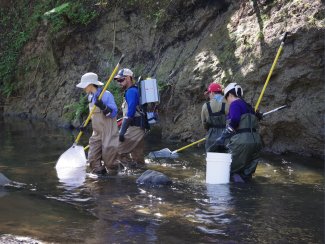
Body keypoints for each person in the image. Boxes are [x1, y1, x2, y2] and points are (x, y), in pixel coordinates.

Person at [214, 82, 263, 182]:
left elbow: (235, 120)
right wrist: (258, 115)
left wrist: (224, 136)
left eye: (227, 98)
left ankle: (234, 194)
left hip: (241, 142)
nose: (227, 101)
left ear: (230, 95)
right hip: (256, 142)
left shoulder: (235, 104)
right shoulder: (248, 106)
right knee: (246, 173)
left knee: (229, 170)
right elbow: (255, 117)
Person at [76, 72, 120, 176]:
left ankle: (116, 178)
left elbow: (113, 113)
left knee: (109, 161)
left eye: (84, 85)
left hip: (108, 131)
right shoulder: (90, 97)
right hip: (96, 132)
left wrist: (103, 107)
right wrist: (86, 122)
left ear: (91, 84)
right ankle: (100, 182)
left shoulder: (106, 95)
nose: (83, 88)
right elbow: (93, 114)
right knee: (92, 160)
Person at [114, 68, 146, 168]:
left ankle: (129, 171)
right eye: (118, 81)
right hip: (140, 128)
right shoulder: (135, 90)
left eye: (121, 80)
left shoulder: (131, 92)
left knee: (116, 150)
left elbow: (130, 112)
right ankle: (139, 173)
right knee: (138, 157)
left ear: (128, 78)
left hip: (135, 128)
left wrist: (122, 132)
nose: (119, 83)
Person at [201, 82, 229, 152]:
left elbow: (204, 124)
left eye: (209, 93)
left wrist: (210, 131)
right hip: (226, 137)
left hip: (211, 137)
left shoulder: (205, 106)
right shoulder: (229, 103)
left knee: (212, 159)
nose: (209, 96)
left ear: (212, 93)